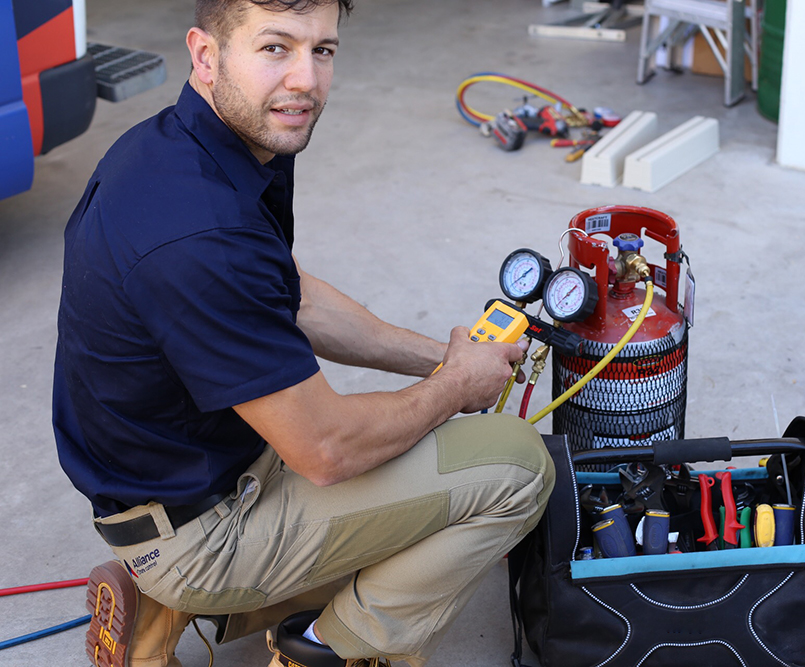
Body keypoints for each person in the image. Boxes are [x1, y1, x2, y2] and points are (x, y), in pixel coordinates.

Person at [53, 1, 554, 666]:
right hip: (207, 524)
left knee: (432, 472)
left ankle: (154, 610)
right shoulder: (201, 235)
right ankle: (322, 648)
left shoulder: (194, 144)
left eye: (322, 50)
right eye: (275, 48)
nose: (305, 80)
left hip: (187, 470)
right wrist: (456, 386)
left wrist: (444, 358)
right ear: (205, 55)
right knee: (516, 468)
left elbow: (296, 297)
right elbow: (326, 448)